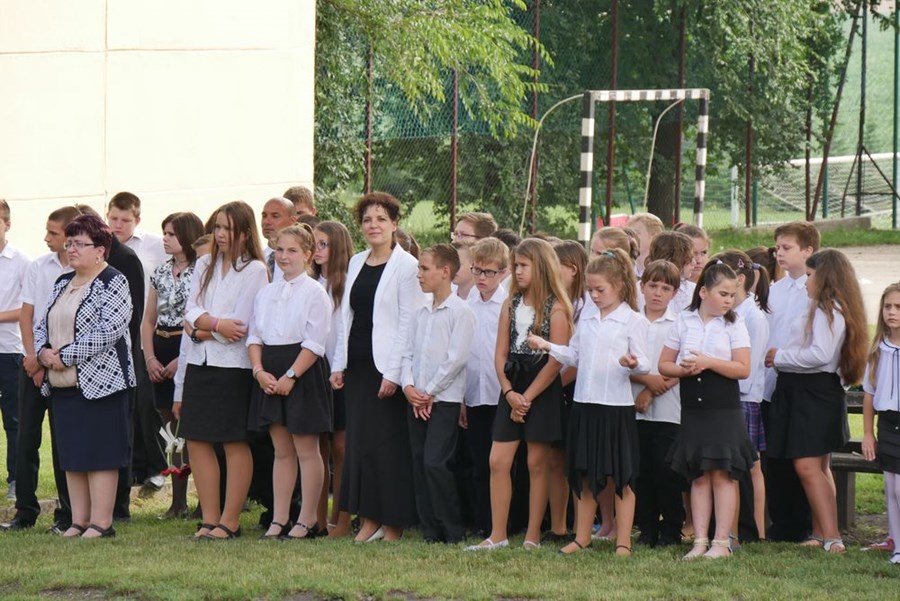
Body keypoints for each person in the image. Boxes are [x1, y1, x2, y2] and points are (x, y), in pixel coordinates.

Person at [530, 248, 649, 556]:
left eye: (600, 290)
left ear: (619, 286)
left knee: (621, 477)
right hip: (585, 403)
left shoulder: (632, 320)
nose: (594, 296)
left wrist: (633, 362)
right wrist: (548, 346)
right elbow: (575, 355)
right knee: (583, 473)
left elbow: (645, 362)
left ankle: (623, 541)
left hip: (616, 408)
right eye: (591, 290)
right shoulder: (588, 318)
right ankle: (582, 537)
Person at [465, 238, 573, 551]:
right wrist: (510, 392)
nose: (518, 271)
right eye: (516, 265)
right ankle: (497, 534)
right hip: (512, 385)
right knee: (498, 460)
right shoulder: (510, 305)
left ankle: (533, 535)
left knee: (537, 462)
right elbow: (500, 354)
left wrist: (528, 397)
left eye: (524, 265)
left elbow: (556, 361)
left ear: (541, 267)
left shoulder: (557, 308)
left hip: (541, 387)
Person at [330, 192, 425, 543]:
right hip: (357, 365)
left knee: (388, 448)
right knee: (361, 446)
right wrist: (338, 364)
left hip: (387, 369)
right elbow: (346, 317)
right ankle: (369, 520)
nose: (374, 225)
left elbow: (407, 323)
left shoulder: (407, 266)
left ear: (394, 224)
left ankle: (393, 523)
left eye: (381, 219)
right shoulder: (356, 262)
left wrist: (393, 375)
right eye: (368, 220)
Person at [34, 215, 135, 538]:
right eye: (70, 243)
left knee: (101, 453)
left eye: (79, 243)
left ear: (100, 250)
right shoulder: (62, 281)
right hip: (62, 384)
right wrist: (43, 353)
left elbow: (109, 330)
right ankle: (78, 521)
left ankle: (101, 523)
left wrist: (64, 356)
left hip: (103, 383)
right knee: (73, 453)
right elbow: (42, 323)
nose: (71, 249)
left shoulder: (113, 281)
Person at [173, 200, 269, 540]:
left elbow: (239, 327)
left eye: (228, 228)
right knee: (197, 440)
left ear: (244, 233)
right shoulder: (204, 264)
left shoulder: (255, 270)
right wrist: (213, 325)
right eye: (218, 227)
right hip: (200, 363)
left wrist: (201, 328)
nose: (221, 234)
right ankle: (210, 519)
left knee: (233, 441)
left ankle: (230, 521)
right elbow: (190, 312)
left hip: (233, 367)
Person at [765, 249, 868, 554]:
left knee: (808, 466)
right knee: (820, 467)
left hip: (812, 392)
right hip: (809, 392)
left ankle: (832, 536)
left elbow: (820, 355)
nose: (806, 281)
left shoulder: (827, 309)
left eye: (810, 275)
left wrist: (780, 357)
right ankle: (822, 532)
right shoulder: (826, 308)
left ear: (825, 277)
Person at [659, 261, 756, 559]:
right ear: (703, 292)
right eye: (723, 294)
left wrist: (709, 362)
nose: (728, 300)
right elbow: (664, 364)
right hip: (693, 407)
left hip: (723, 407)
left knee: (723, 474)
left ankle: (722, 542)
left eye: (732, 295)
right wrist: (684, 370)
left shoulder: (734, 323)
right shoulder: (683, 320)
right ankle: (700, 540)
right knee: (699, 475)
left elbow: (743, 368)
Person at [249, 225, 333, 540]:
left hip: (302, 371)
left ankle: (307, 518)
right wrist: (259, 371)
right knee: (281, 450)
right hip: (270, 371)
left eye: (292, 250)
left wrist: (291, 376)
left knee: (306, 449)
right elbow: (255, 336)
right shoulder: (266, 292)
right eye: (280, 250)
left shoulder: (314, 292)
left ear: (308, 254)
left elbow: (315, 342)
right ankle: (280, 518)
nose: (284, 256)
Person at [1, 206, 79, 532]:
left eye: (53, 233)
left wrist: (51, 359)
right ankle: (25, 511)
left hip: (64, 365)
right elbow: (27, 314)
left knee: (63, 441)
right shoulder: (38, 266)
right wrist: (32, 358)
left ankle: (68, 512)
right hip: (31, 362)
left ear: (70, 235)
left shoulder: (82, 269)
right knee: (26, 438)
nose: (46, 238)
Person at [402, 244, 476, 544]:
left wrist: (429, 391)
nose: (419, 274)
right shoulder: (420, 312)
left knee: (436, 462)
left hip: (443, 400)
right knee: (420, 461)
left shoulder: (461, 312)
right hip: (418, 399)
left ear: (445, 272)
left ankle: (452, 528)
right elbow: (407, 353)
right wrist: (409, 388)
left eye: (424, 268)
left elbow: (456, 359)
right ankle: (430, 528)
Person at [140, 212, 204, 518]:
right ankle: (178, 501)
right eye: (164, 233)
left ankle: (205, 499)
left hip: (189, 344)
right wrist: (150, 357)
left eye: (171, 234)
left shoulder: (202, 271)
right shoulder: (160, 271)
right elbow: (148, 319)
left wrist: (183, 360)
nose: (165, 239)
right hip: (161, 344)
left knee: (194, 427)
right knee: (170, 431)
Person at [763, 221, 819, 542]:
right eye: (777, 248)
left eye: (787, 248)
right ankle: (782, 521)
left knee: (801, 455)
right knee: (776, 456)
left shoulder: (814, 292)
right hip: (773, 382)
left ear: (808, 250)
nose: (779, 254)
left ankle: (804, 523)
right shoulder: (775, 290)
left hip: (802, 381)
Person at [716, 250, 771, 542]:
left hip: (744, 397)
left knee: (750, 466)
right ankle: (738, 527)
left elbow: (749, 367)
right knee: (743, 466)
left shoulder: (753, 317)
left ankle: (755, 528)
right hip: (730, 397)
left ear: (739, 280)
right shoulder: (729, 313)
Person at [632, 260, 683, 548]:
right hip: (633, 408)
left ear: (674, 293)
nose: (658, 293)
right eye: (653, 286)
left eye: (665, 288)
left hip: (668, 408)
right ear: (642, 286)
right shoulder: (631, 320)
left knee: (666, 470)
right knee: (641, 470)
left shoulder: (679, 324)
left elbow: (682, 365)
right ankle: (647, 527)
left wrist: (651, 390)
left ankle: (672, 529)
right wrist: (644, 381)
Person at [461, 237, 509, 538]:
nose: (481, 277)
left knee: (501, 463)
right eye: (476, 270)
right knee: (478, 461)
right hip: (474, 393)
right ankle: (482, 520)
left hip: (499, 393)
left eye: (488, 272)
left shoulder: (507, 304)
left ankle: (504, 520)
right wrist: (463, 398)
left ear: (503, 272)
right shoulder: (468, 303)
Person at [312, 220, 354, 537]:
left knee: (341, 448)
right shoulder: (309, 282)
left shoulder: (348, 283)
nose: (316, 249)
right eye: (314, 243)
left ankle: (341, 518)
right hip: (313, 370)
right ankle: (316, 519)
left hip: (341, 372)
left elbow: (345, 332)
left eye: (323, 244)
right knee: (317, 447)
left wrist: (339, 367)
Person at [545, 240, 590, 541]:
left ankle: (579, 526)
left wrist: (552, 384)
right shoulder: (552, 301)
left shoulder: (586, 306)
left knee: (575, 460)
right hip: (554, 387)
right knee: (554, 458)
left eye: (555, 267)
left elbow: (579, 357)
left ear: (572, 269)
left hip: (574, 387)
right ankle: (558, 525)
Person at [862, 282, 900, 565]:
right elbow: (869, 393)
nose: (892, 312)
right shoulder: (878, 349)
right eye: (887, 306)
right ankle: (896, 544)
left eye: (898, 307)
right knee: (891, 489)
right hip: (887, 425)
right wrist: (867, 434)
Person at [0, 199, 30, 502]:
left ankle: (15, 479)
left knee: (13, 419)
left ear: (7, 224)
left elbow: (27, 308)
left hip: (8, 351)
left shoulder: (21, 261)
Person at [644, 231, 696, 314]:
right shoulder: (642, 287)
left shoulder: (693, 290)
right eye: (689, 258)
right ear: (675, 259)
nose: (694, 262)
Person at [260, 197, 297, 281]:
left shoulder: (299, 261)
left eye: (275, 216)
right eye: (264, 216)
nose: (266, 222)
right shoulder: (255, 259)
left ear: (293, 221)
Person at [625, 213, 664, 277]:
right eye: (628, 233)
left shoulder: (662, 271)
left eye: (636, 233)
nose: (630, 237)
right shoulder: (626, 268)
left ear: (654, 236)